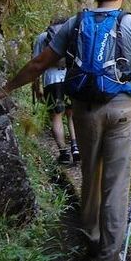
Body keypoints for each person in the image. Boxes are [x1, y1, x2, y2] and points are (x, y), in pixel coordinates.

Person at [0, 0, 131, 261]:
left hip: (84, 110)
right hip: (122, 109)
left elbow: (39, 63)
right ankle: (108, 260)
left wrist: (5, 89)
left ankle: (91, 240)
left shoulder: (74, 23)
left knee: (90, 176)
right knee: (116, 183)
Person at [31, 18, 79, 165]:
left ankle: (64, 154)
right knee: (72, 115)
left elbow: (36, 65)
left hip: (52, 80)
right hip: (71, 78)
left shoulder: (42, 38)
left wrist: (36, 87)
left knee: (56, 117)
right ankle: (75, 148)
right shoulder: (72, 36)